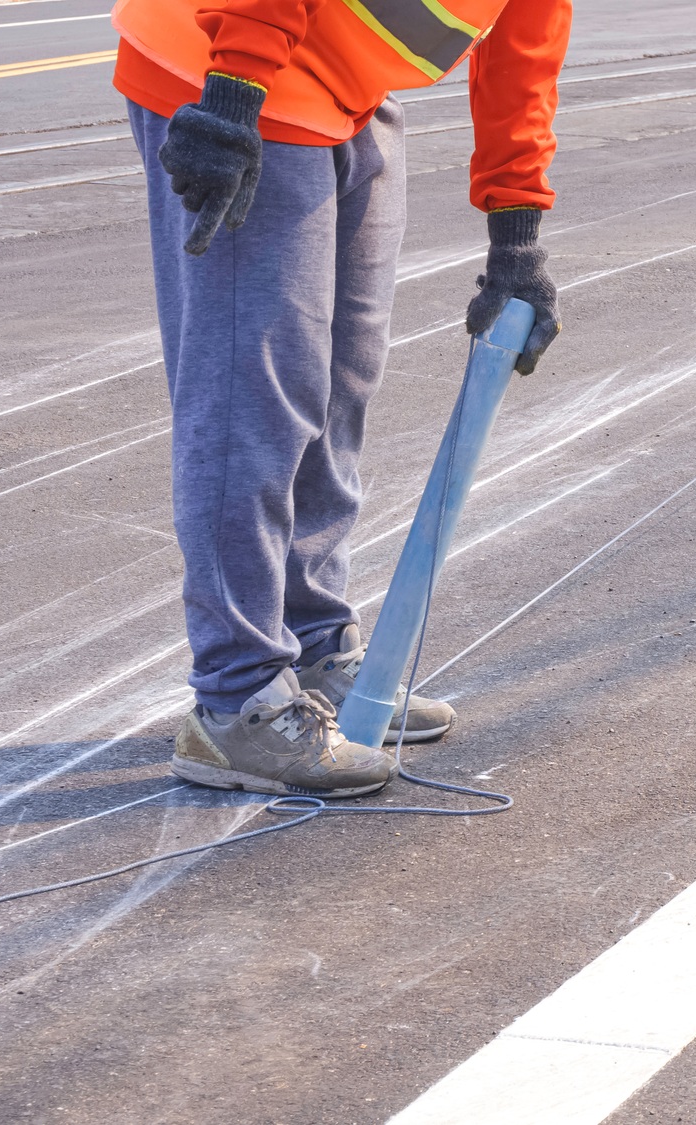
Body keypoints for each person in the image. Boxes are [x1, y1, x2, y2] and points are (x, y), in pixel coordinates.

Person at [109, 0, 572, 797]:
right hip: (233, 66)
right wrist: (233, 95)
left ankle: (313, 641)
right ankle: (236, 699)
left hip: (345, 91)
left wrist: (516, 233)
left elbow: (524, 42)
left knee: (339, 383)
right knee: (250, 398)